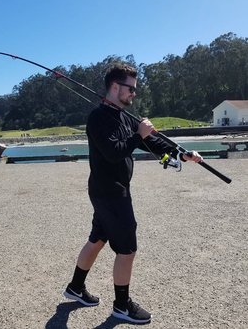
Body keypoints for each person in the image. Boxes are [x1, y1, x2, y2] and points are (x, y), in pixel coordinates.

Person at [63, 63, 203, 324]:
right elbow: (114, 152)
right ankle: (122, 306)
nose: (134, 94)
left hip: (110, 191)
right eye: (131, 89)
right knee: (127, 250)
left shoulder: (126, 117)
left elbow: (154, 141)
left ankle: (75, 287)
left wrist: (183, 153)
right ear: (115, 87)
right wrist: (139, 135)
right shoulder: (98, 118)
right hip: (110, 193)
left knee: (97, 239)